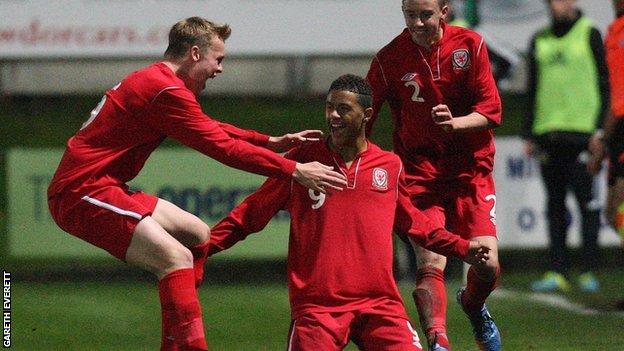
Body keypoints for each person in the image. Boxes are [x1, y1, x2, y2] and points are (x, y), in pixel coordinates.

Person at [47, 17, 348, 351]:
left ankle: (178, 335)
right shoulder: (164, 89)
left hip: (105, 185)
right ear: (194, 53)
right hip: (80, 191)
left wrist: (268, 141)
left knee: (198, 235)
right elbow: (221, 147)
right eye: (217, 59)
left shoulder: (160, 83)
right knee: (175, 258)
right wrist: (293, 169)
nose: (220, 69)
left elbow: (208, 127)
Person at [206, 74, 492, 351]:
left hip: (381, 306)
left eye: (343, 109)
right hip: (318, 310)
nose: (332, 116)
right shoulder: (302, 162)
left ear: (367, 114)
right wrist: (200, 249)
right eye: (329, 108)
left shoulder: (389, 165)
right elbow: (248, 215)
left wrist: (462, 247)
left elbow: (416, 224)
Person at [365, 1, 503, 350]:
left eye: (424, 15)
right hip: (418, 175)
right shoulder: (389, 58)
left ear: (444, 11)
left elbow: (490, 111)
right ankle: (438, 341)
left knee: (487, 265)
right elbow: (363, 115)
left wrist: (456, 124)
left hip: (471, 171)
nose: (416, 23)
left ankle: (472, 304)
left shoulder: (471, 46)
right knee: (430, 262)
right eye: (409, 15)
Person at [523, 0, 609, 294]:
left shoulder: (590, 33)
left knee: (588, 204)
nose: (553, 5)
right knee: (555, 207)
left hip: (582, 134)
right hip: (549, 134)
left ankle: (588, 270)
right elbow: (532, 88)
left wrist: (600, 129)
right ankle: (557, 270)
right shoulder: (539, 39)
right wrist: (529, 133)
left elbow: (605, 82)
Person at [587, 0, 624, 309]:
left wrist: (601, 137)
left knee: (617, 210)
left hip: (621, 128)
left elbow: (620, 96)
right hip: (619, 132)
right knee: (614, 214)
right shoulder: (614, 31)